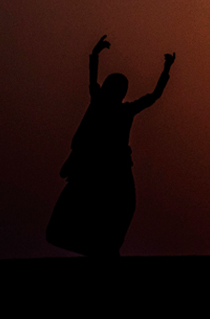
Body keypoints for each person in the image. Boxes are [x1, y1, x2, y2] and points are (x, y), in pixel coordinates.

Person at [46, 35, 175, 256]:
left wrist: (166, 70)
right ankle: (97, 248)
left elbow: (153, 96)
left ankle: (102, 248)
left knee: (121, 210)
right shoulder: (104, 104)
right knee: (73, 219)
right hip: (92, 170)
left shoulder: (122, 109)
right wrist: (94, 54)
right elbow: (152, 96)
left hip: (114, 171)